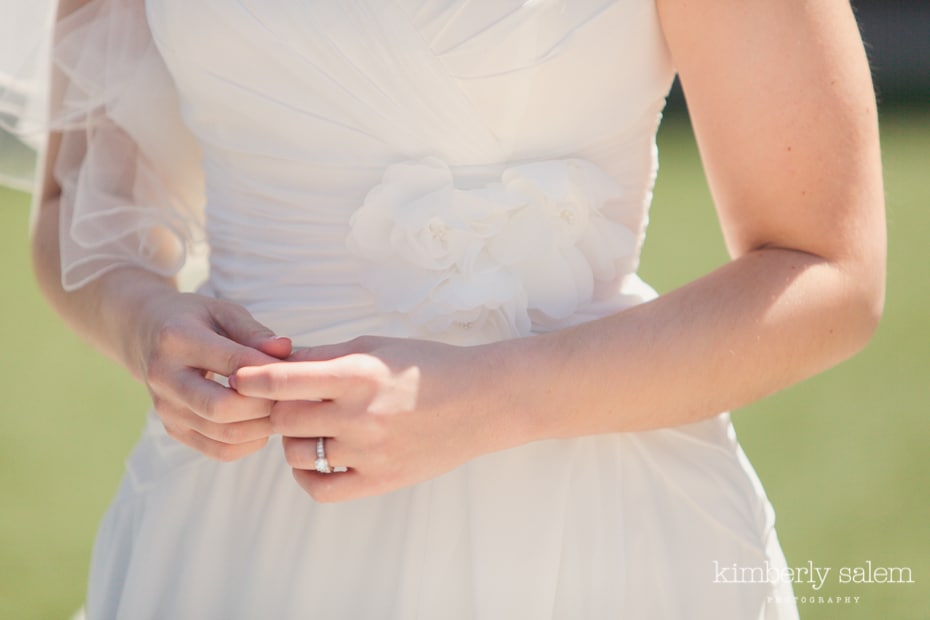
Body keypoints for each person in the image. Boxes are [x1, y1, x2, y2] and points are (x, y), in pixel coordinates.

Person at [19, 0, 884, 617]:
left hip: (585, 527)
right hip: (232, 524)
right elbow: (76, 207)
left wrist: (490, 395)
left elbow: (828, 268)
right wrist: (144, 326)